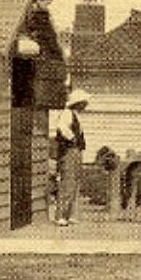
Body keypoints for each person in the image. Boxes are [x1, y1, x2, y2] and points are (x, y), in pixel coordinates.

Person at [49, 89, 89, 226]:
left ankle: (70, 214)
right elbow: (61, 127)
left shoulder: (75, 115)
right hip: (69, 150)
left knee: (74, 181)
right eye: (84, 102)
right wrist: (72, 138)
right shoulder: (67, 113)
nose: (86, 105)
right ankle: (61, 215)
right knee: (68, 181)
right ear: (78, 103)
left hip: (76, 150)